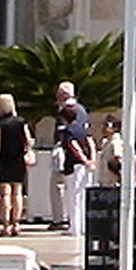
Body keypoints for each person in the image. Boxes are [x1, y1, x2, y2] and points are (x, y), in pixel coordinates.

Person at [0, 93, 34, 237]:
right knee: (18, 192)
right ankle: (16, 223)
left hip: (4, 160)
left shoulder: (0, 125)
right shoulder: (21, 122)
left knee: (5, 194)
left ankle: (6, 225)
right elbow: (28, 141)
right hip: (18, 159)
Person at [49, 80, 90, 230]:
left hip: (68, 156)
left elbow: (66, 136)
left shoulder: (66, 111)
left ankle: (60, 219)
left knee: (61, 188)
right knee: (78, 192)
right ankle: (77, 222)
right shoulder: (83, 110)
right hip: (80, 157)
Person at [61, 105, 96, 237]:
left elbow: (73, 146)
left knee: (74, 197)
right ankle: (84, 226)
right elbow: (91, 144)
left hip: (74, 166)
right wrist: (91, 160)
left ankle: (75, 227)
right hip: (86, 167)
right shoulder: (83, 129)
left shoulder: (68, 131)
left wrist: (84, 159)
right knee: (84, 196)